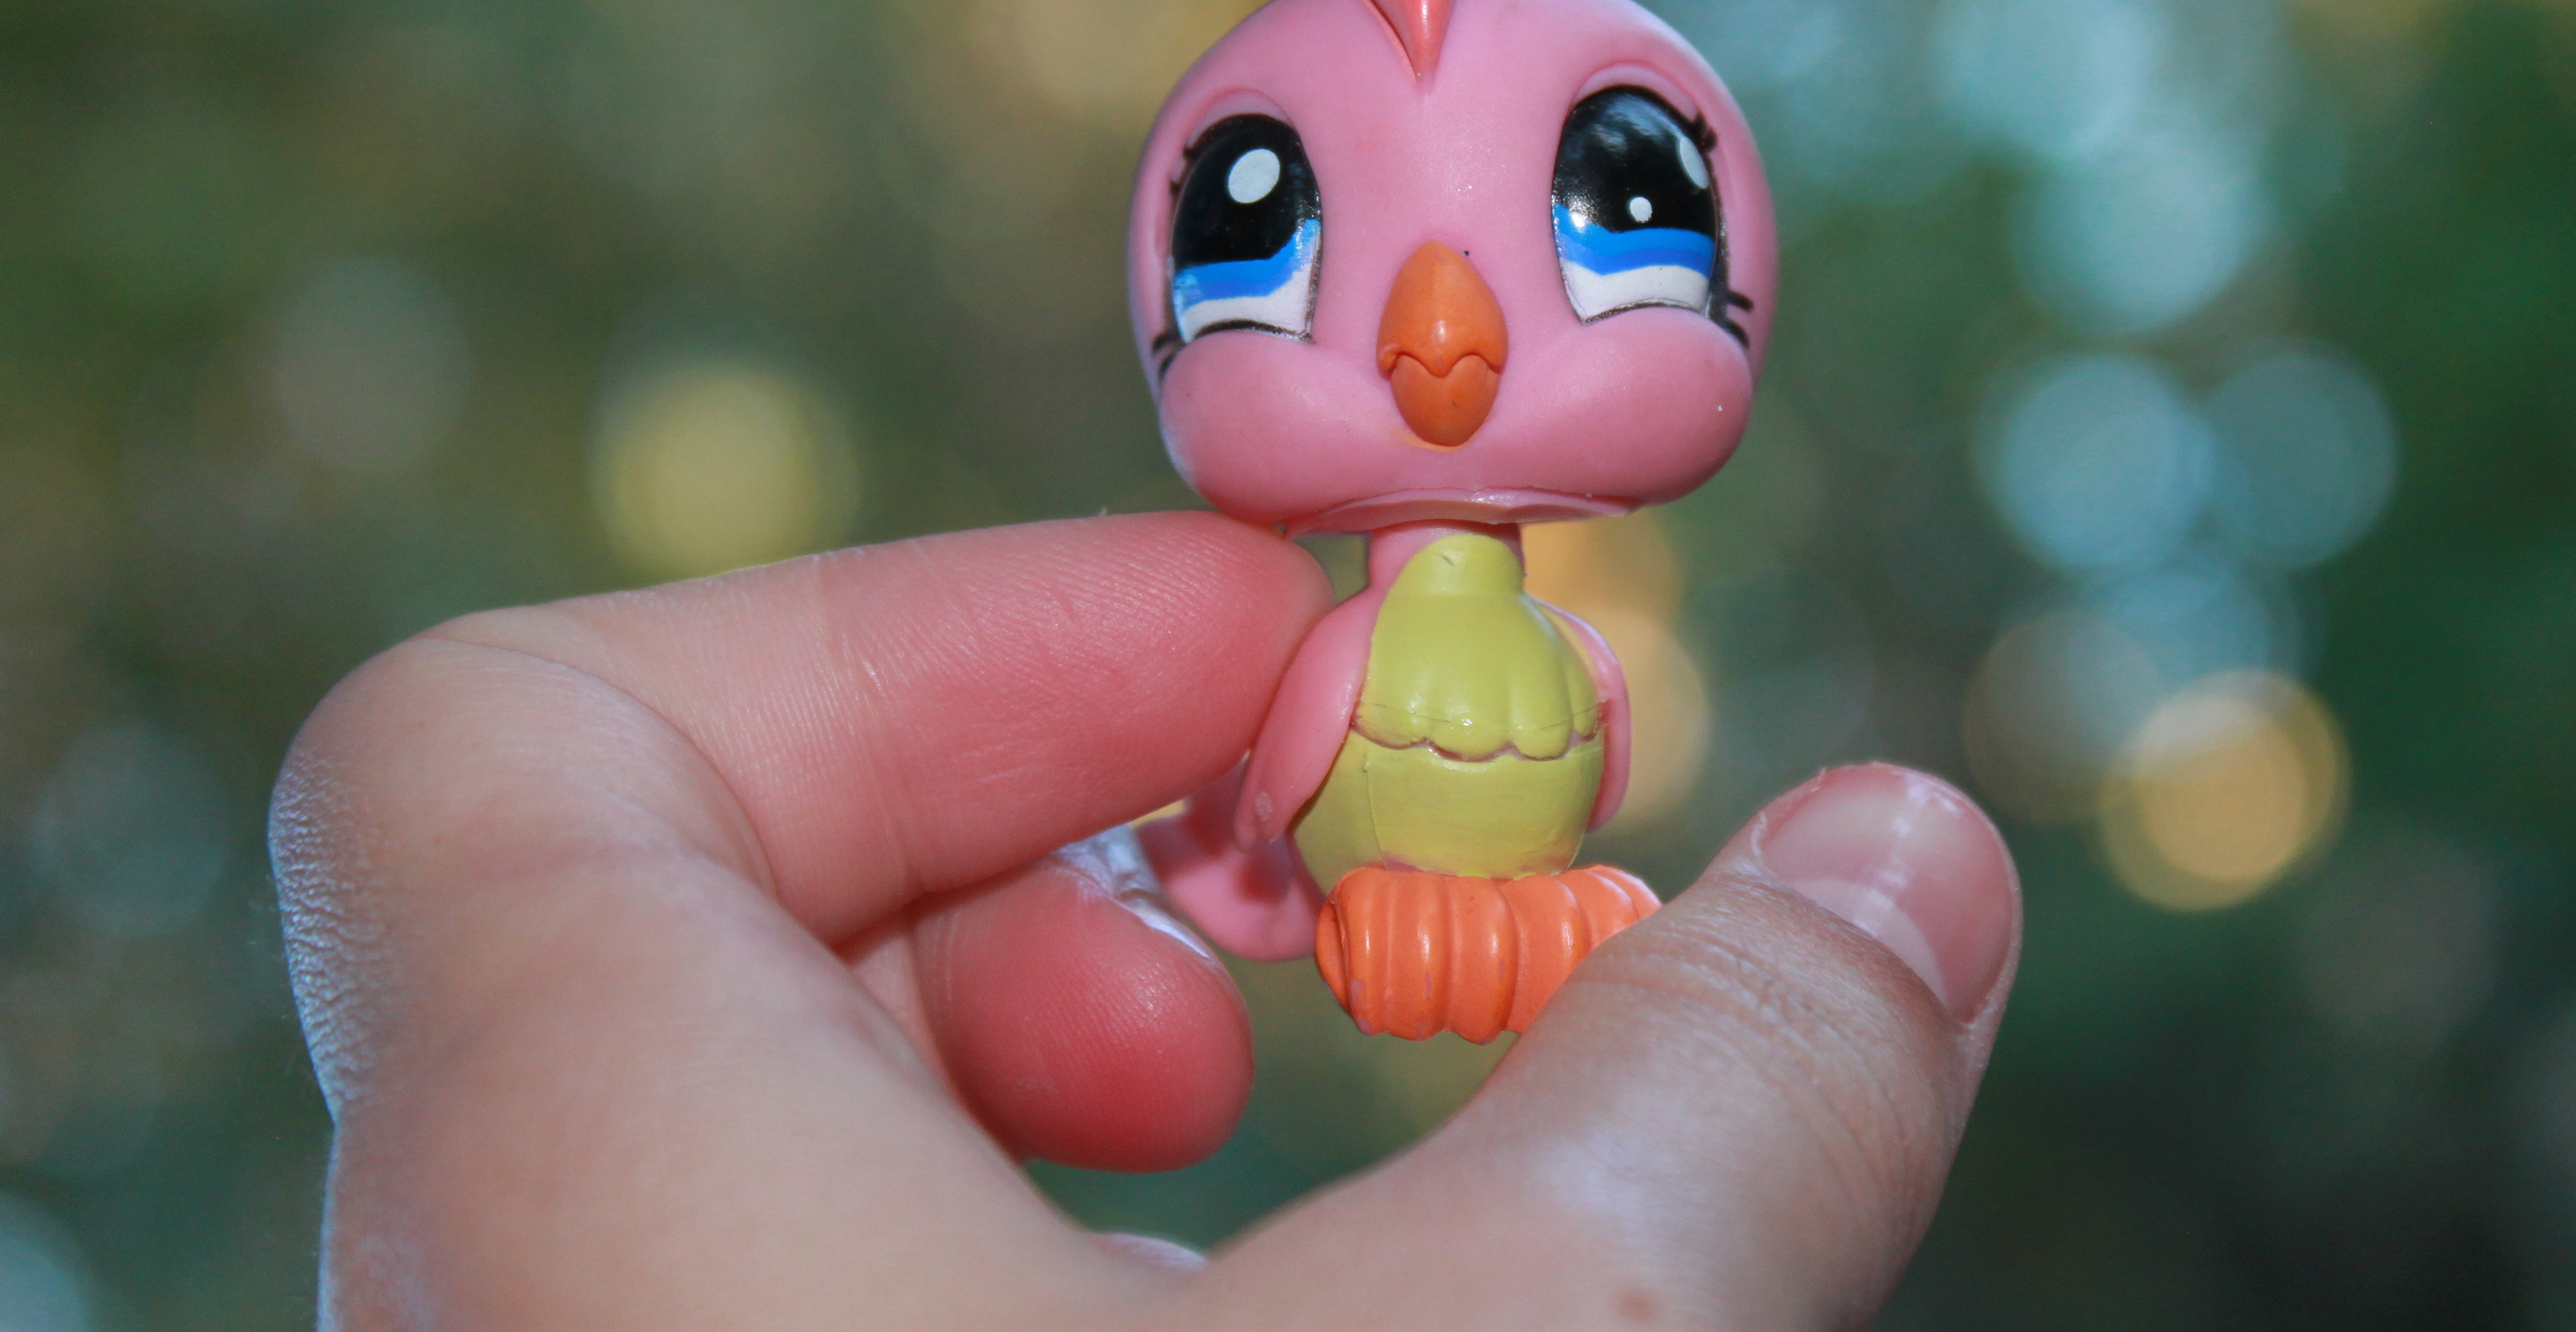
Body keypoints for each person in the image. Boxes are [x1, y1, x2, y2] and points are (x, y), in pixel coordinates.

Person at [271, 513, 2020, 1326]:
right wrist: (1255, 841)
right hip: (1373, 894)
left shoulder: (1570, 656)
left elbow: (1567, 750)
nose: (1446, 333)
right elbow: (1278, 785)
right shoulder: (1370, 656)